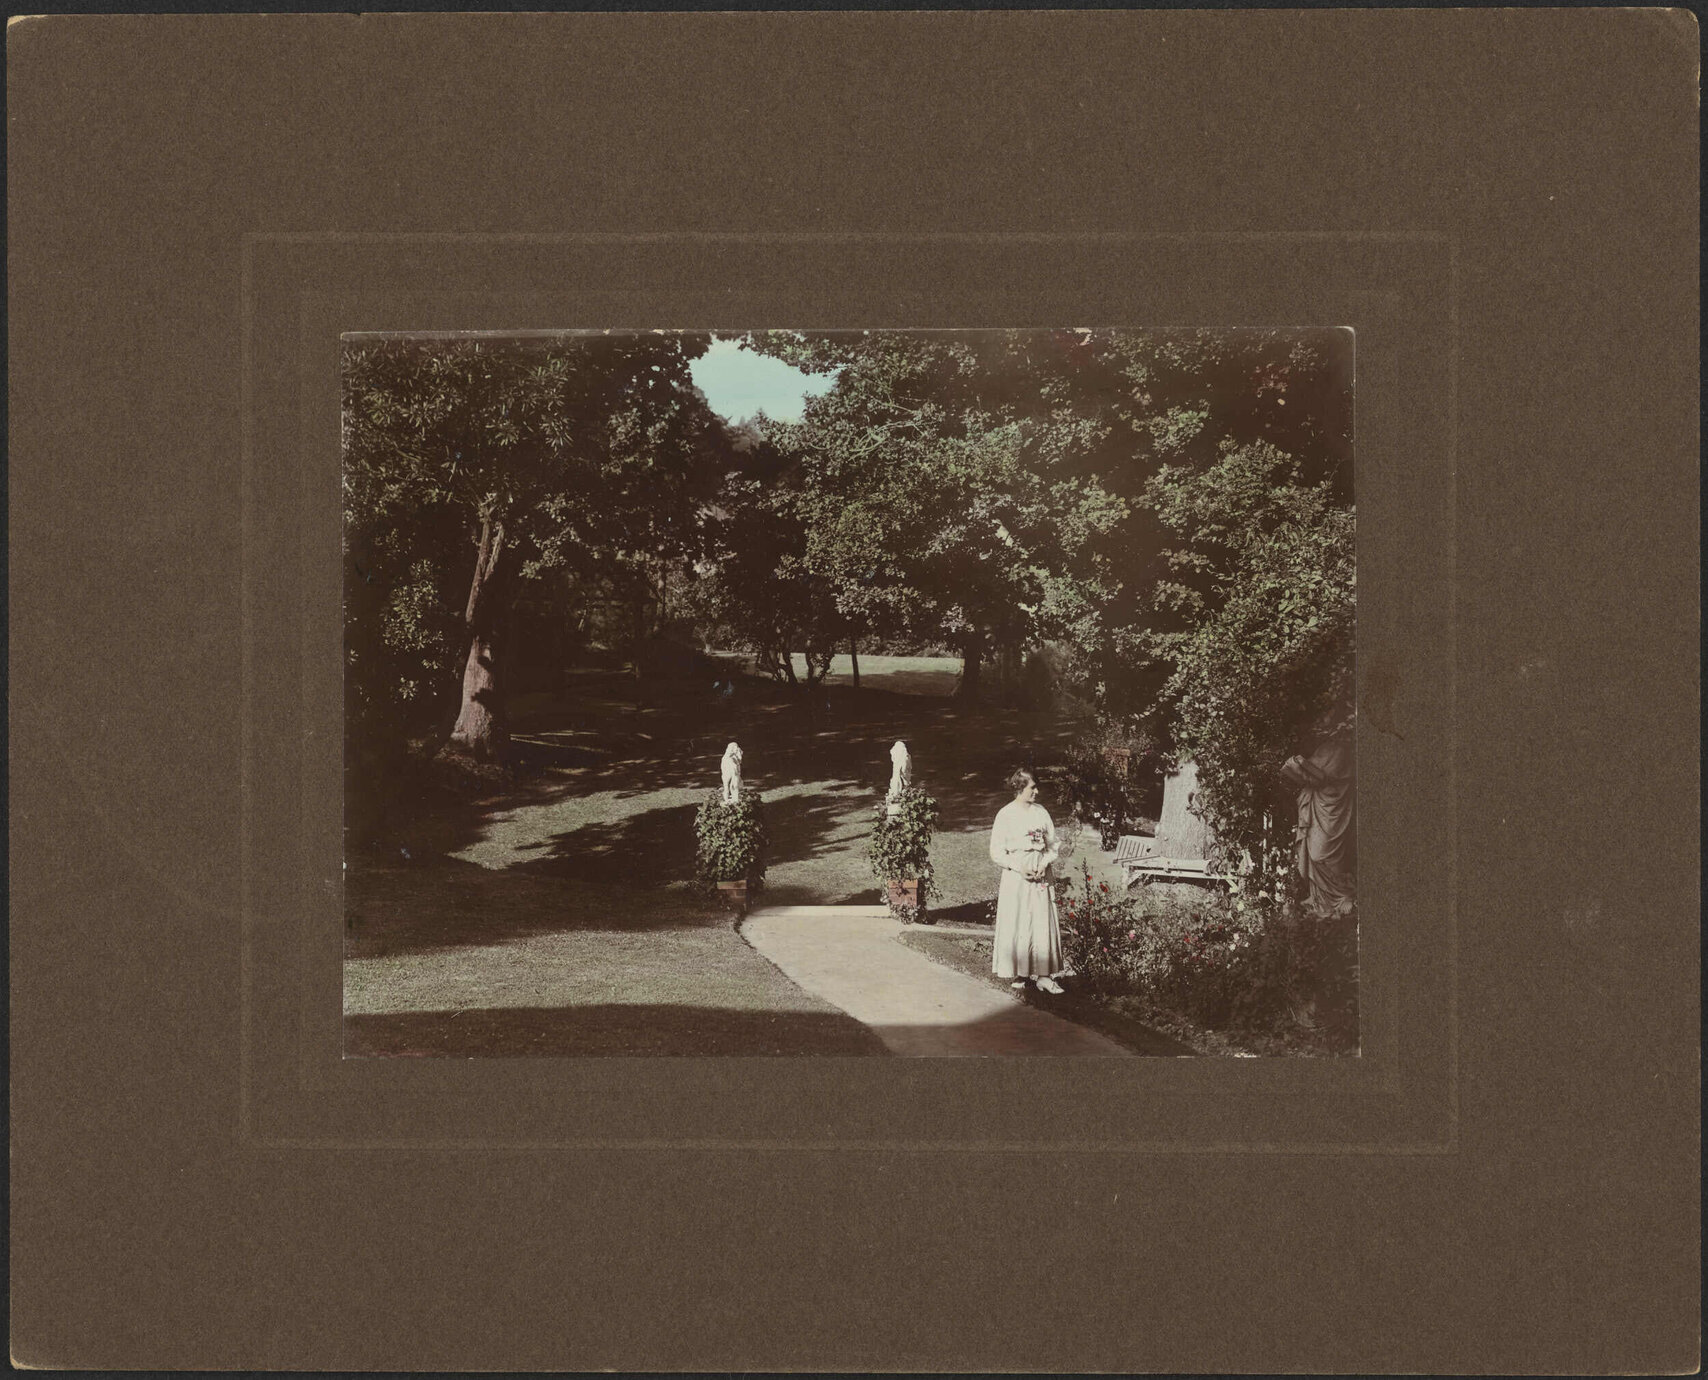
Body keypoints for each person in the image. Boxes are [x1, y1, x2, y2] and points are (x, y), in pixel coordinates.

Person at [989, 767, 1067, 994]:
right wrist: (1018, 868)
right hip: (1017, 877)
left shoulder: (1041, 812)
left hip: (1041, 874)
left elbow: (1053, 845)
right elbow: (996, 851)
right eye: (1033, 787)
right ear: (1019, 787)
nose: (1037, 791)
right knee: (1019, 920)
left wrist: (1043, 864)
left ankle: (1044, 975)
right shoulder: (1005, 814)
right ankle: (1021, 972)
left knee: (1042, 920)